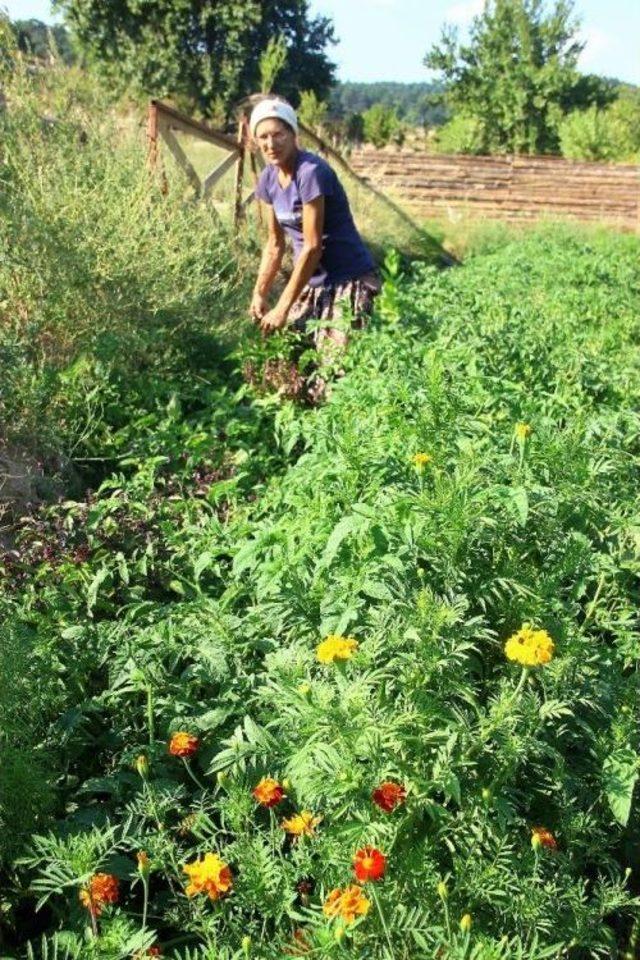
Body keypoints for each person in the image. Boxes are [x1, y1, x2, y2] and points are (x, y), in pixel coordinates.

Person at [248, 96, 380, 397]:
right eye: (263, 137)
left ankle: (343, 437)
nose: (271, 143)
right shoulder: (269, 178)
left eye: (278, 134)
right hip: (312, 281)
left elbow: (311, 246)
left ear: (294, 135)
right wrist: (260, 292)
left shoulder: (311, 173)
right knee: (289, 361)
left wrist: (281, 307)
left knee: (334, 375)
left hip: (347, 279)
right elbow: (274, 243)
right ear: (256, 142)